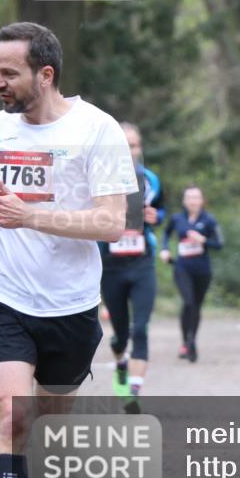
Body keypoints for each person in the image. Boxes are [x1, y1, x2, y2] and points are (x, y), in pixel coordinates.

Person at [0, 22, 138, 478]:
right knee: (10, 413)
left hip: (70, 305)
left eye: (9, 73)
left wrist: (31, 217)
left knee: (53, 425)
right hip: (4, 298)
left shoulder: (97, 131)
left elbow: (110, 222)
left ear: (45, 74)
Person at [97, 123, 165, 404]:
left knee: (141, 328)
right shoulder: (100, 177)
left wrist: (155, 216)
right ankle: (121, 361)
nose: (129, 150)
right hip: (111, 264)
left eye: (134, 145)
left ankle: (133, 395)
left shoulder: (151, 179)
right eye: (124, 144)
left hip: (141, 263)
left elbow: (161, 210)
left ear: (140, 148)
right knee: (120, 334)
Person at [161, 186, 222, 363]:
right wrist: (165, 249)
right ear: (184, 201)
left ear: (202, 200)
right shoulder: (177, 218)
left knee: (196, 306)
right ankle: (186, 342)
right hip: (182, 267)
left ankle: (191, 340)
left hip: (203, 270)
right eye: (189, 197)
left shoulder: (209, 220)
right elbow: (166, 233)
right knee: (188, 302)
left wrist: (203, 240)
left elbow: (219, 244)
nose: (192, 201)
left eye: (196, 197)